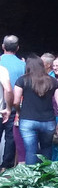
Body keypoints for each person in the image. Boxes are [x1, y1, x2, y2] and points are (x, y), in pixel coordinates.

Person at [12, 55, 58, 166]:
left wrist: (19, 111)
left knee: (31, 151)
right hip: (48, 121)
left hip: (27, 120)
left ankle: (31, 178)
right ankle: (45, 177)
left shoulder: (22, 80)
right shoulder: (53, 81)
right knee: (46, 149)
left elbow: (15, 101)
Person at [0, 35, 24, 168]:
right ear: (18, 48)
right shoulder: (23, 65)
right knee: (11, 138)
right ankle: (6, 166)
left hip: (1, 106)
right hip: (16, 106)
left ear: (3, 47)